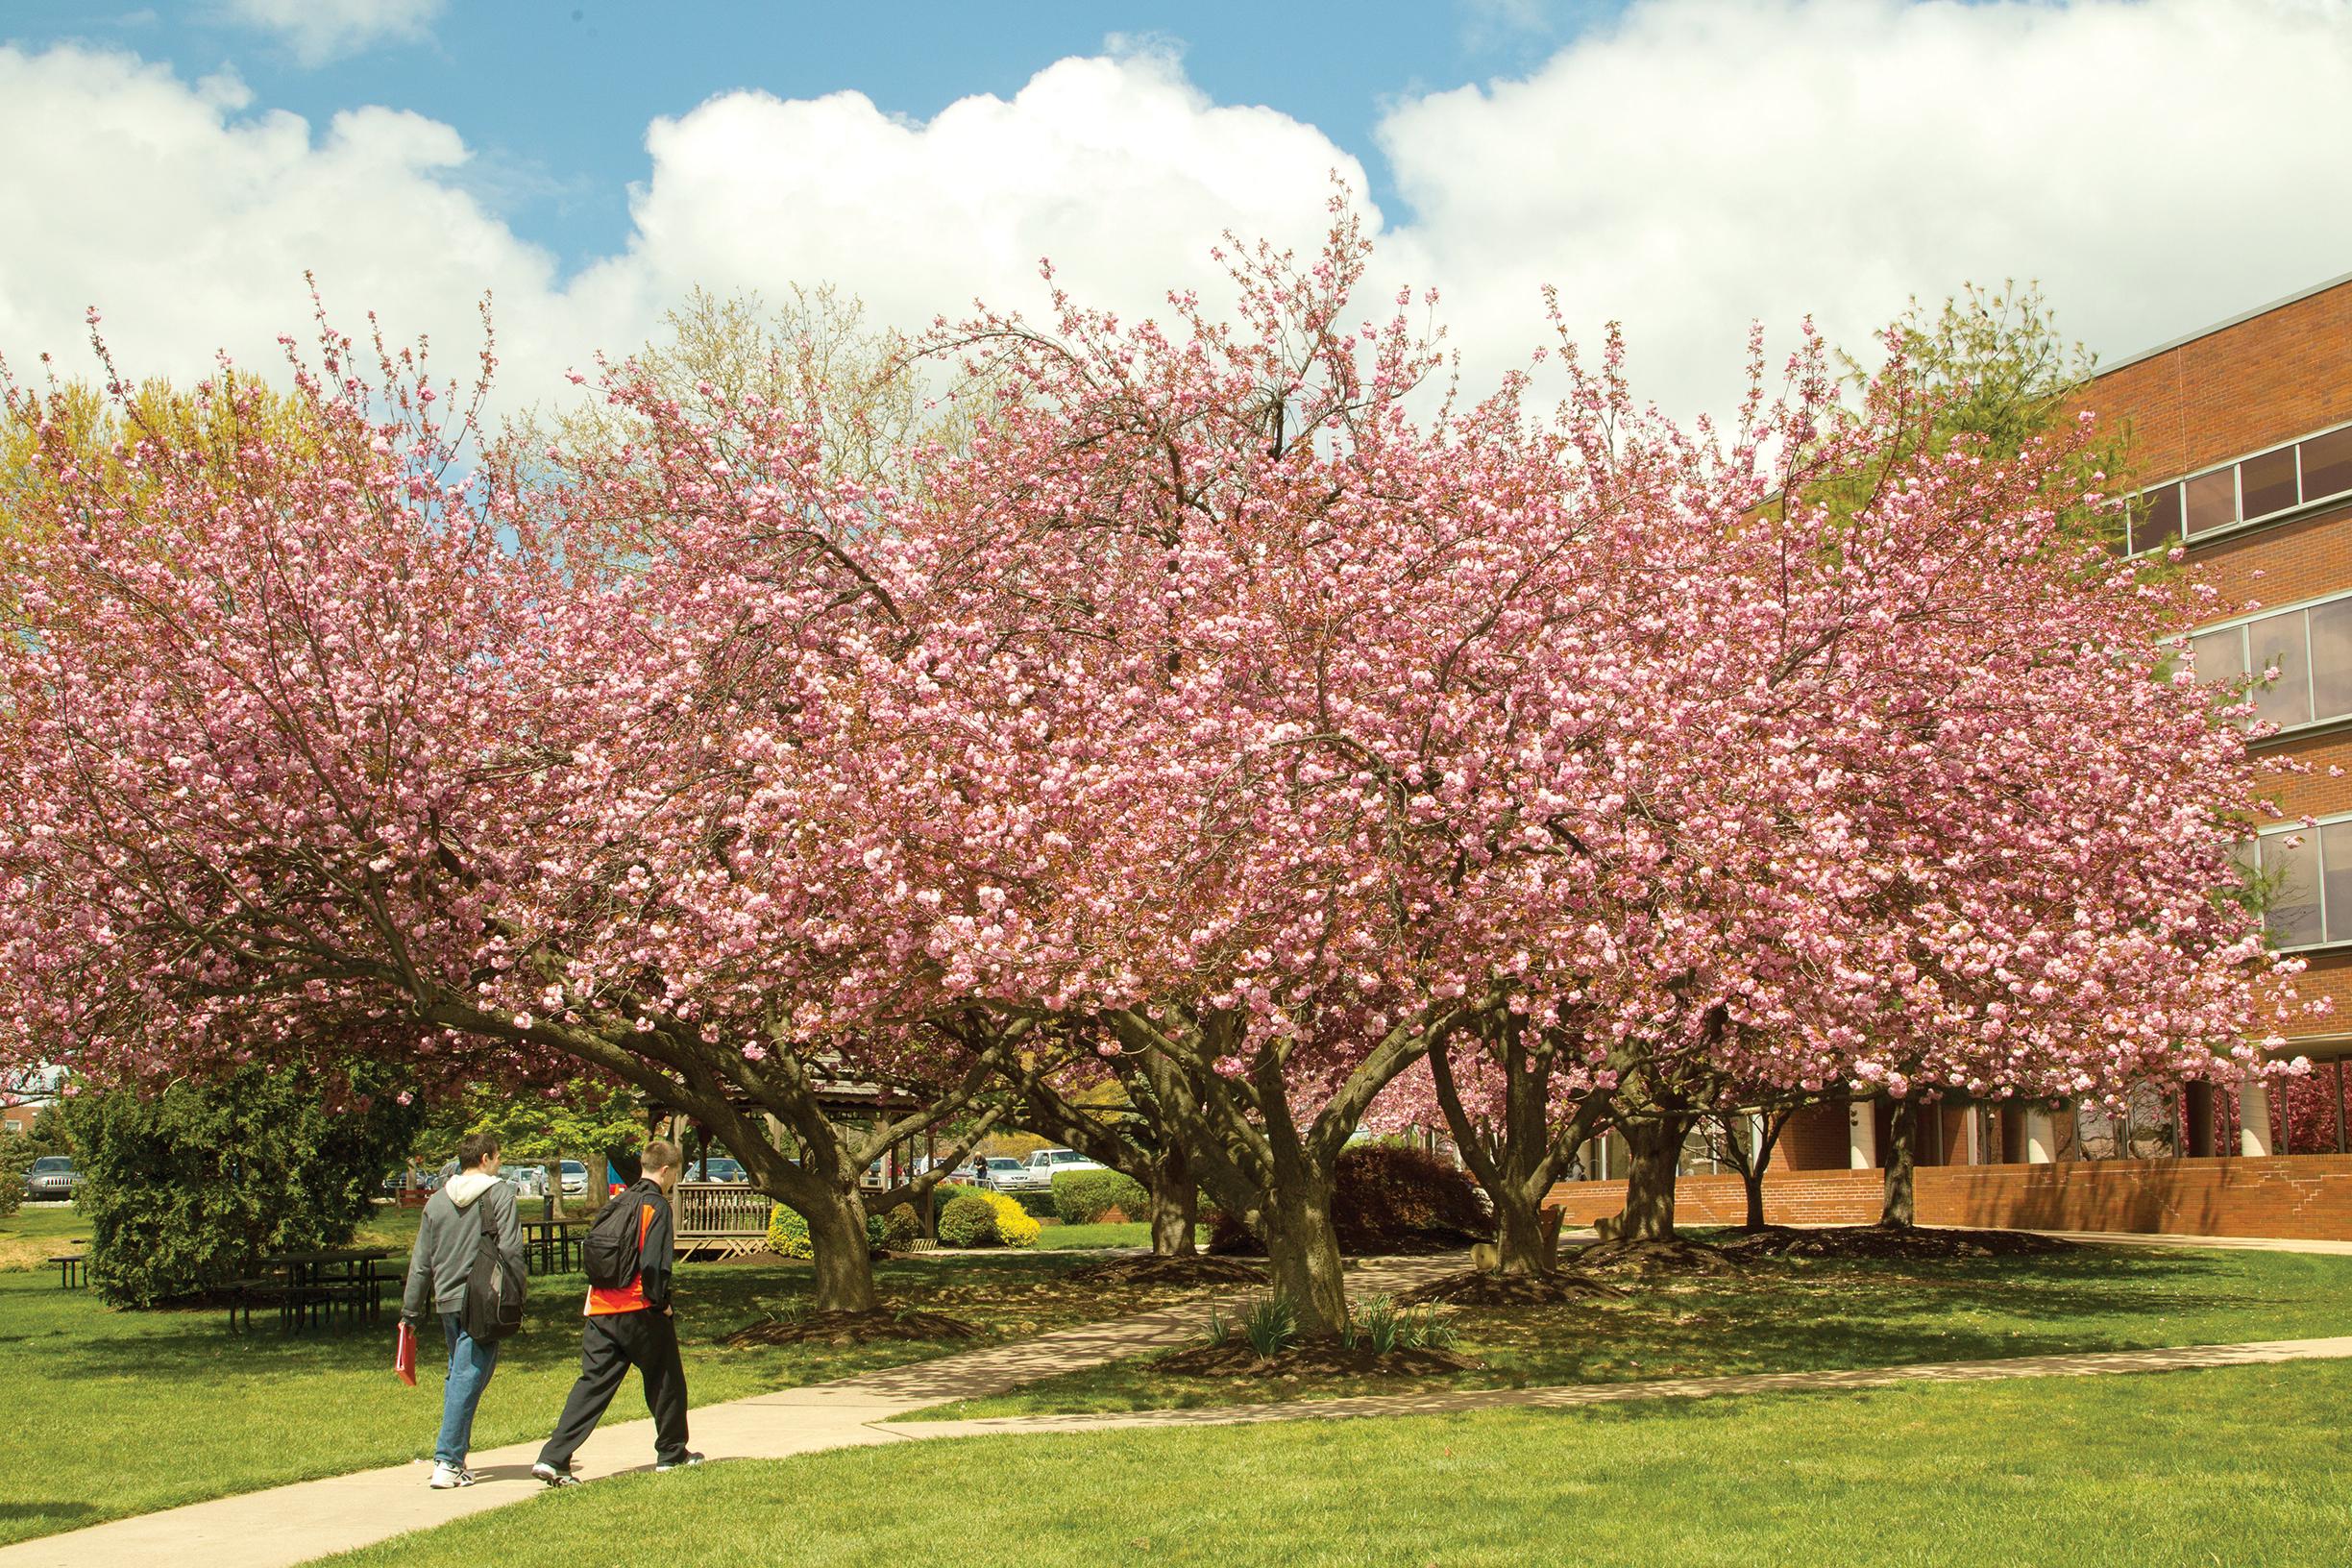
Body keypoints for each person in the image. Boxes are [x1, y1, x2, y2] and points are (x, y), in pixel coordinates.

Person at [532, 1138, 702, 1483]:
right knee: (666, 1379)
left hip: (599, 1307)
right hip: (639, 1308)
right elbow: (654, 1265)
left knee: (592, 1384)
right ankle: (672, 1453)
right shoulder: (656, 1206)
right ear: (667, 1170)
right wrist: (663, 1305)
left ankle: (553, 1458)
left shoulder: (616, 1202)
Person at [400, 1132, 526, 1489]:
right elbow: (512, 1249)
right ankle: (448, 1460)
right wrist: (518, 1293)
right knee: (469, 1377)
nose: (499, 1163)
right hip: (483, 1301)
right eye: (498, 1157)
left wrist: (410, 1311)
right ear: (485, 1158)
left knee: (461, 1375)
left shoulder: (436, 1202)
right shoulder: (500, 1193)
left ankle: (455, 1457)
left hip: (447, 1301)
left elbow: (421, 1263)